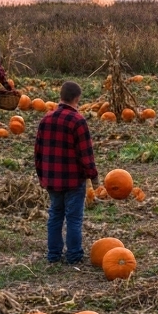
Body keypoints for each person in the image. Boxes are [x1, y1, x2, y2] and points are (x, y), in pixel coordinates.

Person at [34, 81, 99, 265]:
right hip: (73, 180)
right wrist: (94, 177)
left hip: (52, 179)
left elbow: (38, 152)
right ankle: (74, 256)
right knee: (74, 218)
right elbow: (86, 154)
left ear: (61, 96)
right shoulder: (78, 121)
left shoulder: (46, 119)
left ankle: (53, 255)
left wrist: (42, 177)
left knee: (55, 215)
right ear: (77, 99)